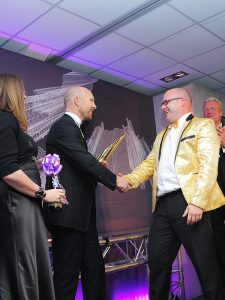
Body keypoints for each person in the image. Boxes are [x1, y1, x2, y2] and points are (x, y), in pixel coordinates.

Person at [123, 87, 225, 299]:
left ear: (183, 102)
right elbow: (149, 165)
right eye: (162, 103)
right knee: (157, 265)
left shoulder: (203, 125)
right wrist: (128, 180)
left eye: (167, 102)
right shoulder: (162, 134)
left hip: (189, 202)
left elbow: (209, 165)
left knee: (206, 267)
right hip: (162, 207)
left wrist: (197, 202)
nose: (163, 107)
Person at [44, 86, 128, 300]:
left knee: (94, 270)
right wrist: (115, 179)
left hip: (82, 216)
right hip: (68, 214)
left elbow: (79, 166)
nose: (95, 105)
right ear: (76, 101)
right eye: (91, 100)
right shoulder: (64, 126)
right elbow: (84, 161)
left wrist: (94, 168)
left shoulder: (73, 129)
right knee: (67, 276)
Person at [0, 73, 67, 300]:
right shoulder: (5, 119)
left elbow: (13, 160)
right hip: (18, 204)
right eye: (22, 92)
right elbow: (8, 171)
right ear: (11, 94)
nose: (26, 97)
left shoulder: (7, 122)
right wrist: (43, 193)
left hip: (23, 204)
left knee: (28, 262)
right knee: (23, 265)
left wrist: (38, 162)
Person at [203, 97, 225, 286]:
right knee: (214, 245)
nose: (209, 111)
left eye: (213, 108)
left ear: (221, 112)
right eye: (206, 109)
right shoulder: (200, 133)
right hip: (210, 197)